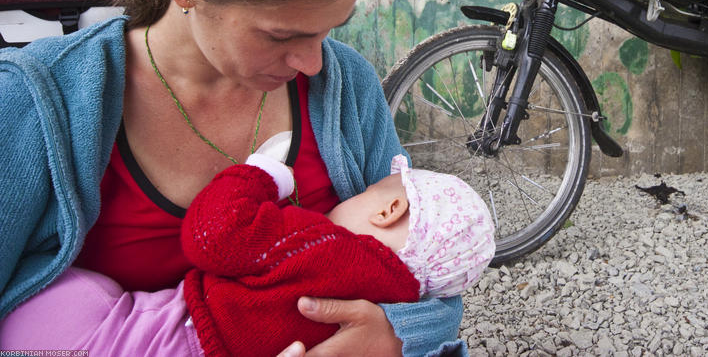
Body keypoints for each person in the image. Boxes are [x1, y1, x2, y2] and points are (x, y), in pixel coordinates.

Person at [0, 0, 467, 356]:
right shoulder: (39, 100)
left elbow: (428, 269)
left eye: (330, 30)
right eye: (280, 34)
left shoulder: (347, 87)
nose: (315, 64)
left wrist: (391, 338)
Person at [0, 151, 495, 357]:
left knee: (65, 303)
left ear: (389, 209)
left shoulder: (324, 245)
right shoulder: (401, 290)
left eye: (368, 188)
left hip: (170, 339)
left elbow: (213, 236)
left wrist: (259, 175)